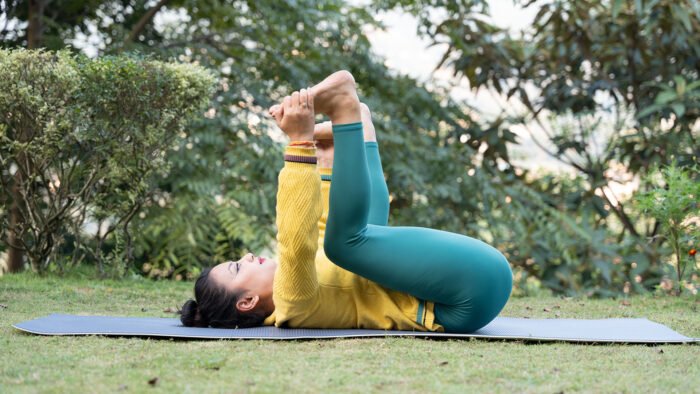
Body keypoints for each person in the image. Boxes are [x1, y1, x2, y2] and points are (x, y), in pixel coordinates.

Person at [179, 71, 513, 333]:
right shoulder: (292, 304)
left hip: (476, 285)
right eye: (238, 267)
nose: (248, 256)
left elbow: (322, 228)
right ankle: (344, 108)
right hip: (466, 296)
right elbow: (296, 242)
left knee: (350, 238)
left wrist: (321, 157)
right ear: (248, 302)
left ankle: (354, 128)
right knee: (346, 245)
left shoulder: (309, 285)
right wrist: (297, 144)